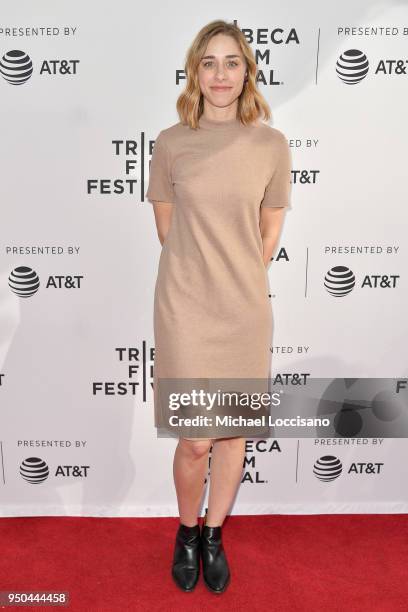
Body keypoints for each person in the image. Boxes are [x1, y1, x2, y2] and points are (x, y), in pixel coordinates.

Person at [146, 19, 292, 594]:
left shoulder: (271, 145)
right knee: (195, 437)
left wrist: (237, 280)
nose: (221, 74)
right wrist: (201, 275)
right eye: (210, 63)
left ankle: (214, 533)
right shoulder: (171, 142)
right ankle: (185, 530)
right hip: (185, 304)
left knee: (231, 436)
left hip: (243, 309)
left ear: (247, 70)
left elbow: (269, 233)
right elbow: (167, 229)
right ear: (195, 72)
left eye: (231, 62)